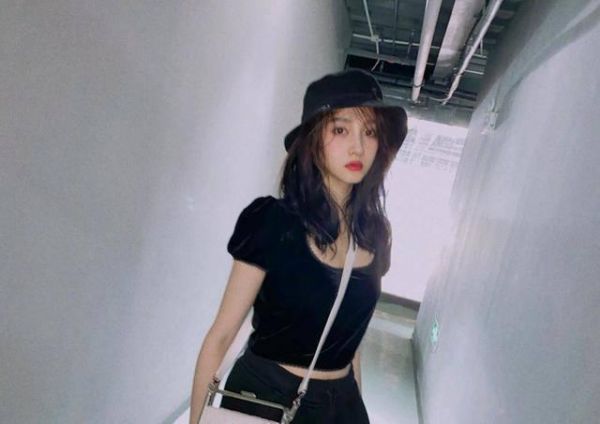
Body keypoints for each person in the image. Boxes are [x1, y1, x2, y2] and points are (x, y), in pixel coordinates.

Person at [189, 69, 408, 423]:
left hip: (341, 402)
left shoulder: (375, 233)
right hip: (266, 395)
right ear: (313, 139)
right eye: (341, 130)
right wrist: (196, 420)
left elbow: (351, 342)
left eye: (370, 132)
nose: (358, 146)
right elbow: (222, 335)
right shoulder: (272, 221)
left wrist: (355, 400)